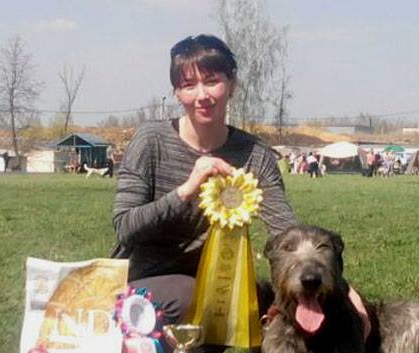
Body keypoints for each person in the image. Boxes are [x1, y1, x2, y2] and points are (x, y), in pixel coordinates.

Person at [111, 35, 298, 324]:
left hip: (217, 283)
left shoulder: (255, 155)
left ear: (232, 84)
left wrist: (343, 291)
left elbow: (288, 232)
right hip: (143, 282)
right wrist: (185, 191)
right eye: (188, 85)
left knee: (267, 299)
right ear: (176, 93)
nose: (202, 95)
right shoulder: (150, 141)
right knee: (194, 296)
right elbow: (125, 228)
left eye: (212, 81)